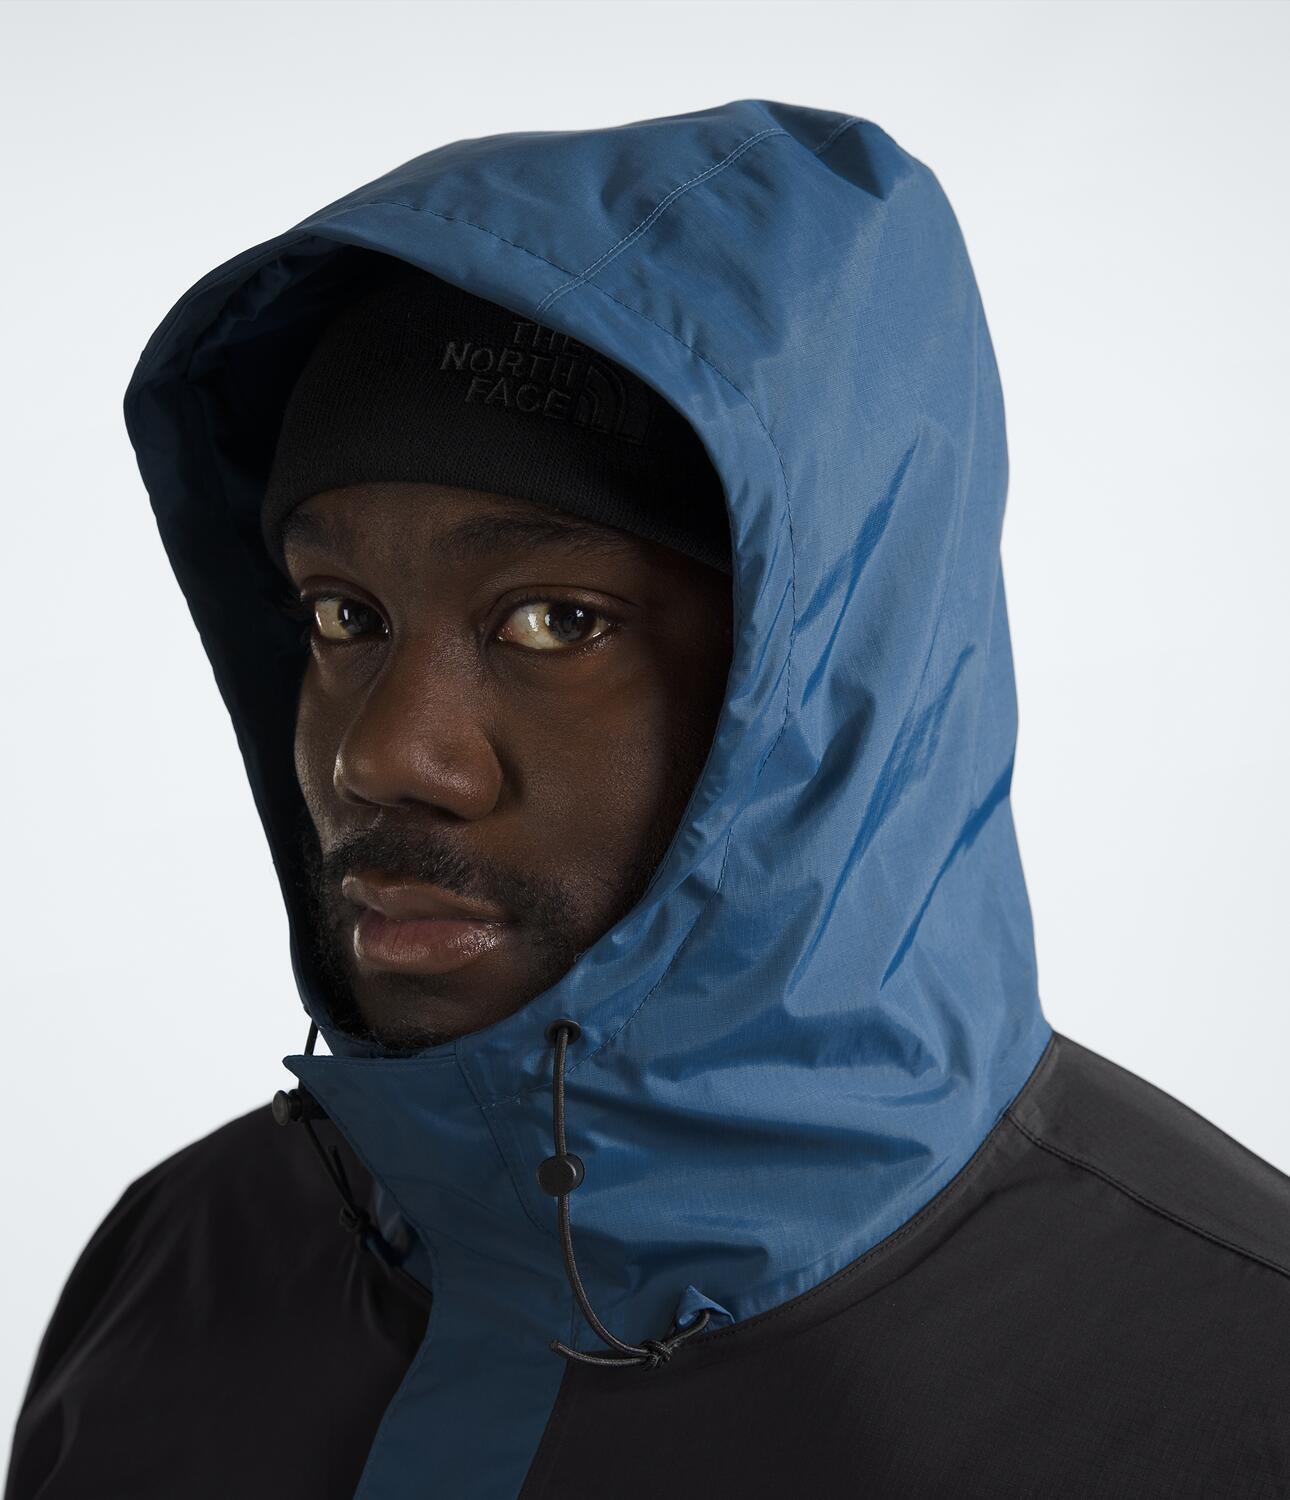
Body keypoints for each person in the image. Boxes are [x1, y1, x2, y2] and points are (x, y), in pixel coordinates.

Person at [6, 97, 1288, 1500]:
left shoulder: (1231, 1383)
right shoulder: (173, 1270)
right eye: (342, 615)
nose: (383, 757)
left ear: (820, 682)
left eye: (555, 620)